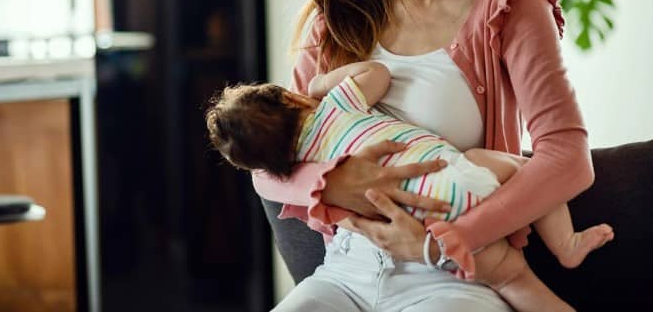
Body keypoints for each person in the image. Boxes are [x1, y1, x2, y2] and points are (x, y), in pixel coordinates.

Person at [252, 0, 598, 312]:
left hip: (453, 278)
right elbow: (266, 165)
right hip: (345, 274)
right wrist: (332, 182)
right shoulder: (335, 26)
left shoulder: (509, 7)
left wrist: (450, 239)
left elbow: (566, 157)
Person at [206, 61, 612, 312]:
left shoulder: (300, 164)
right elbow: (376, 74)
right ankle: (566, 245)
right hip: (454, 191)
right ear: (291, 100)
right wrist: (323, 82)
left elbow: (267, 177)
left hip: (415, 229)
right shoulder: (335, 104)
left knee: (512, 280)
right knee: (520, 171)